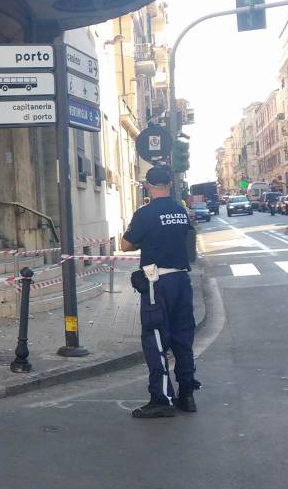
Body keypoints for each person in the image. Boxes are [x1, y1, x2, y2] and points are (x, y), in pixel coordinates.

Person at [121, 166, 201, 419]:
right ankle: (187, 394)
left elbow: (124, 245)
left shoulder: (145, 213)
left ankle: (162, 398)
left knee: (155, 340)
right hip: (181, 280)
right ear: (169, 184)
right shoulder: (180, 211)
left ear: (148, 185)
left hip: (158, 283)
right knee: (182, 338)